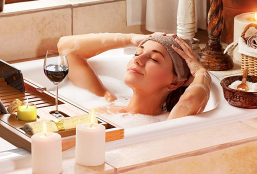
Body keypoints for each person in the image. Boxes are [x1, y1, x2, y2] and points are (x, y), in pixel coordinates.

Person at [57, 32, 211, 120]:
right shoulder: (107, 98)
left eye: (154, 59)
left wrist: (200, 71)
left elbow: (191, 100)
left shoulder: (166, 122)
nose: (137, 59)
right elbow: (66, 47)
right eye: (138, 52)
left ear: (174, 83)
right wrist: (130, 39)